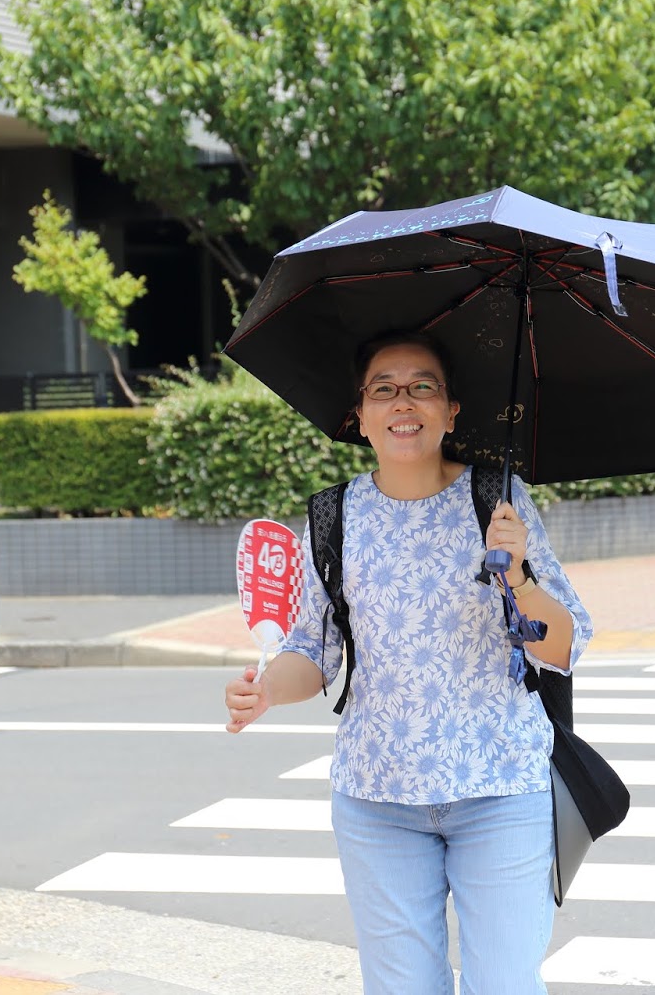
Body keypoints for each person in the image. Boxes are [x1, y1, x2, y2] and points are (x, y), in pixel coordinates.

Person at [224, 332, 591, 994]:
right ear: (360, 416)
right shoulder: (333, 516)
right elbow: (313, 652)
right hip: (376, 798)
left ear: (451, 411)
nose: (404, 401)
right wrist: (267, 690)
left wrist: (518, 574)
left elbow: (562, 646)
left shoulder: (498, 501)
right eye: (383, 389)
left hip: (501, 787)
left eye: (423, 386)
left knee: (504, 986)